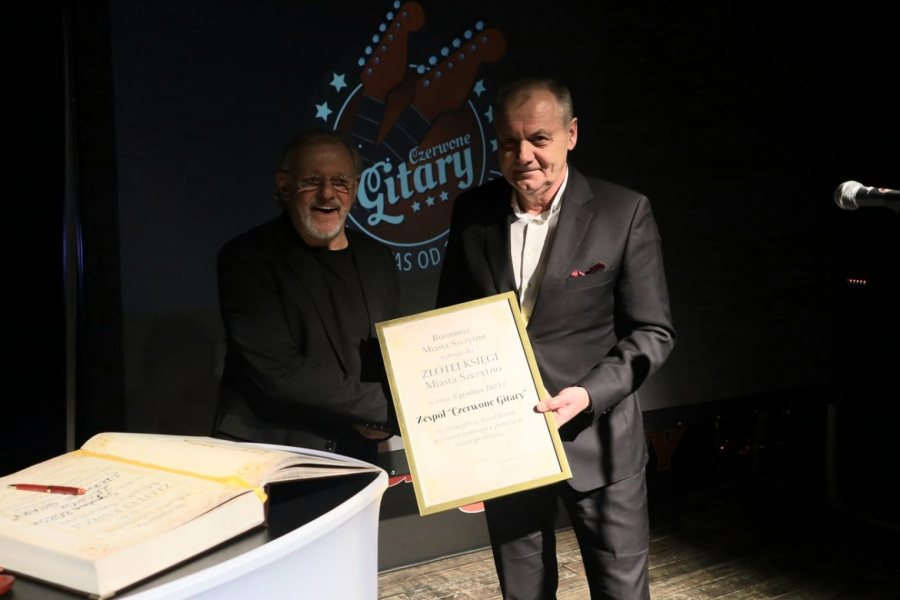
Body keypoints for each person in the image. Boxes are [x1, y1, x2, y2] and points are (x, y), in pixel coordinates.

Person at [436, 78, 675, 599]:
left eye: (539, 139)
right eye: (509, 142)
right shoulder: (472, 212)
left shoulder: (623, 211)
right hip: (508, 446)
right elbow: (449, 323)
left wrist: (588, 394)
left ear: (571, 134)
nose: (523, 155)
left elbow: (653, 332)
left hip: (600, 442)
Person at [212, 129, 398, 464]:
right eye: (312, 180)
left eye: (340, 182)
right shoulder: (246, 258)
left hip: (358, 452)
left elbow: (392, 350)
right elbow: (280, 373)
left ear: (355, 188)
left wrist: (386, 418)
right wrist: (389, 410)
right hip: (274, 455)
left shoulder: (377, 258)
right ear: (285, 186)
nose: (327, 193)